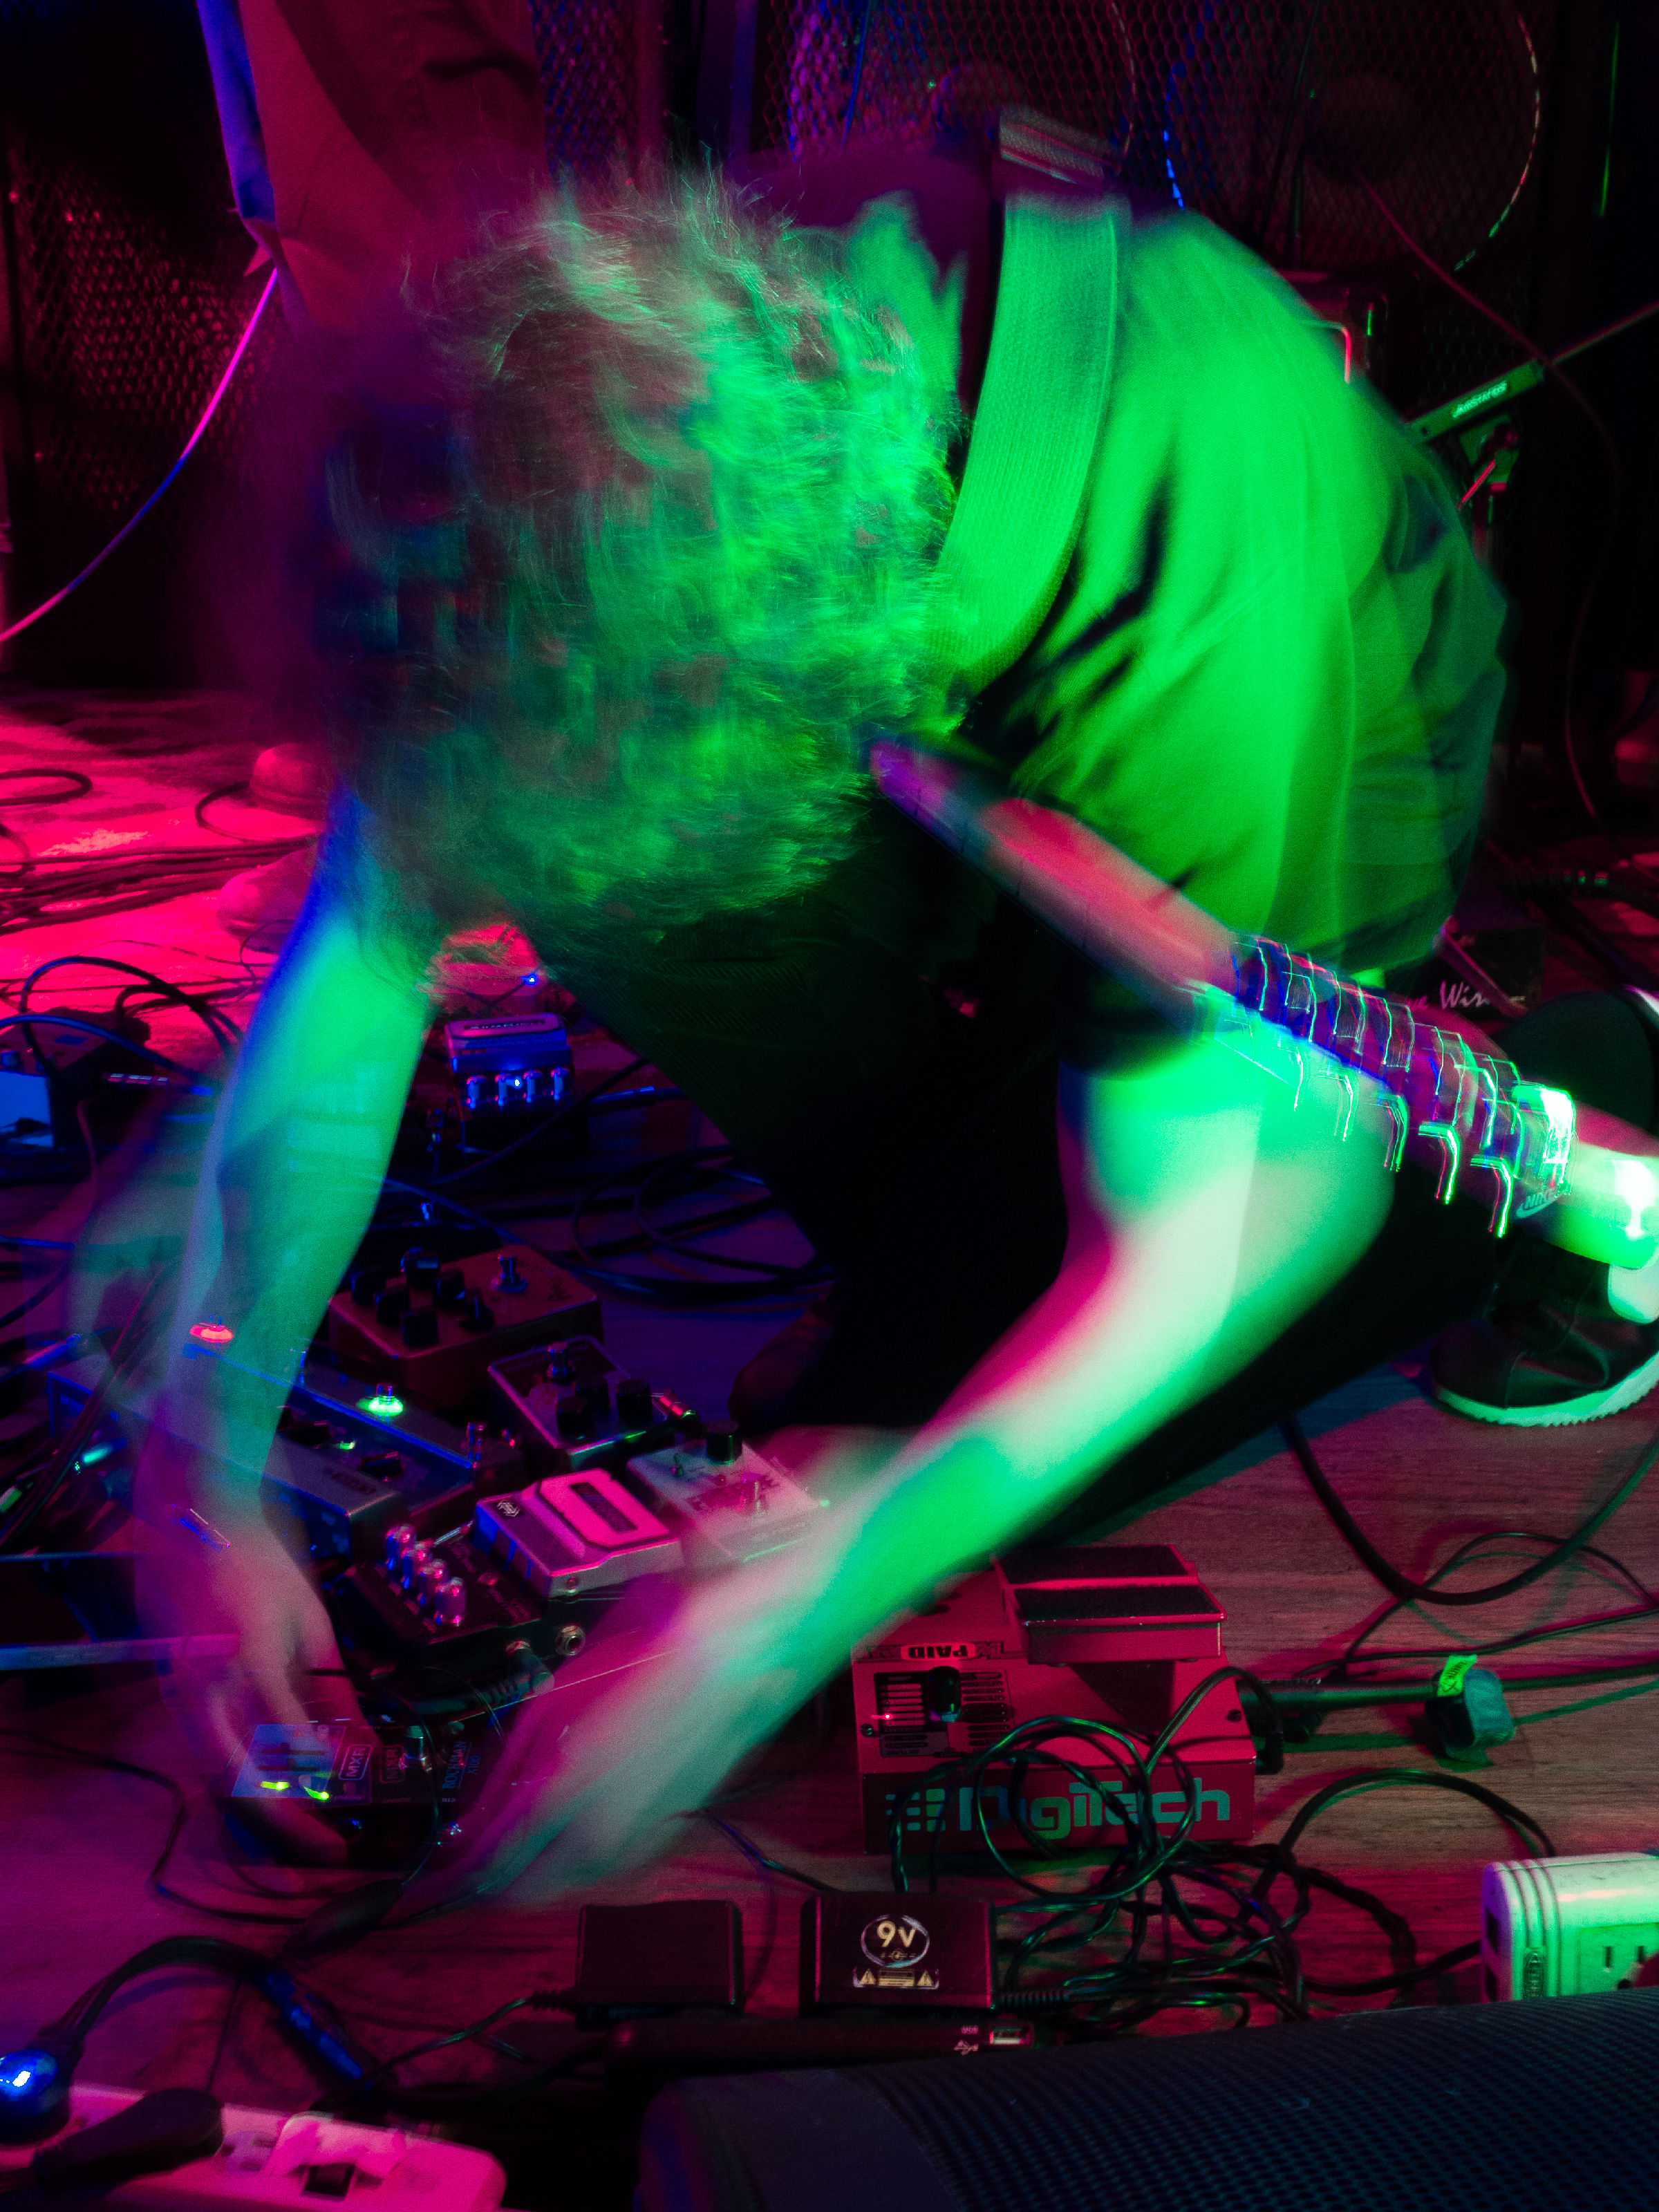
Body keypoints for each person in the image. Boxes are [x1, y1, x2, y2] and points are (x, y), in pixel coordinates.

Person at [103, 1, 1644, 1891]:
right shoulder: (573, 415)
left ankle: (1599, 1086)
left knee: (1048, 1352)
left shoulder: (1188, 527)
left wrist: (795, 1609)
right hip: (915, 714)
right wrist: (209, 1454)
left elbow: (1226, 1218)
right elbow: (369, 925)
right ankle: (945, 1235)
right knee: (886, 1284)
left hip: (1291, 749)